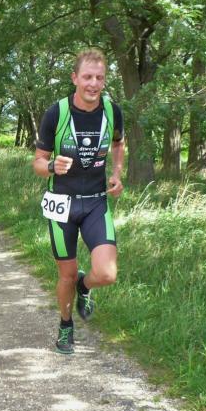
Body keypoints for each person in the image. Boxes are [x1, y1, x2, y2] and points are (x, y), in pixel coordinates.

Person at [32, 48, 125, 354]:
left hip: (96, 202)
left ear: (104, 80)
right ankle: (65, 324)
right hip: (62, 204)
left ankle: (85, 286)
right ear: (75, 78)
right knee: (67, 275)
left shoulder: (112, 111)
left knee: (107, 274)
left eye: (99, 77)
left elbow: (118, 143)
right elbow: (38, 161)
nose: (93, 84)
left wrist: (117, 173)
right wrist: (51, 166)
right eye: (87, 77)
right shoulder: (56, 113)